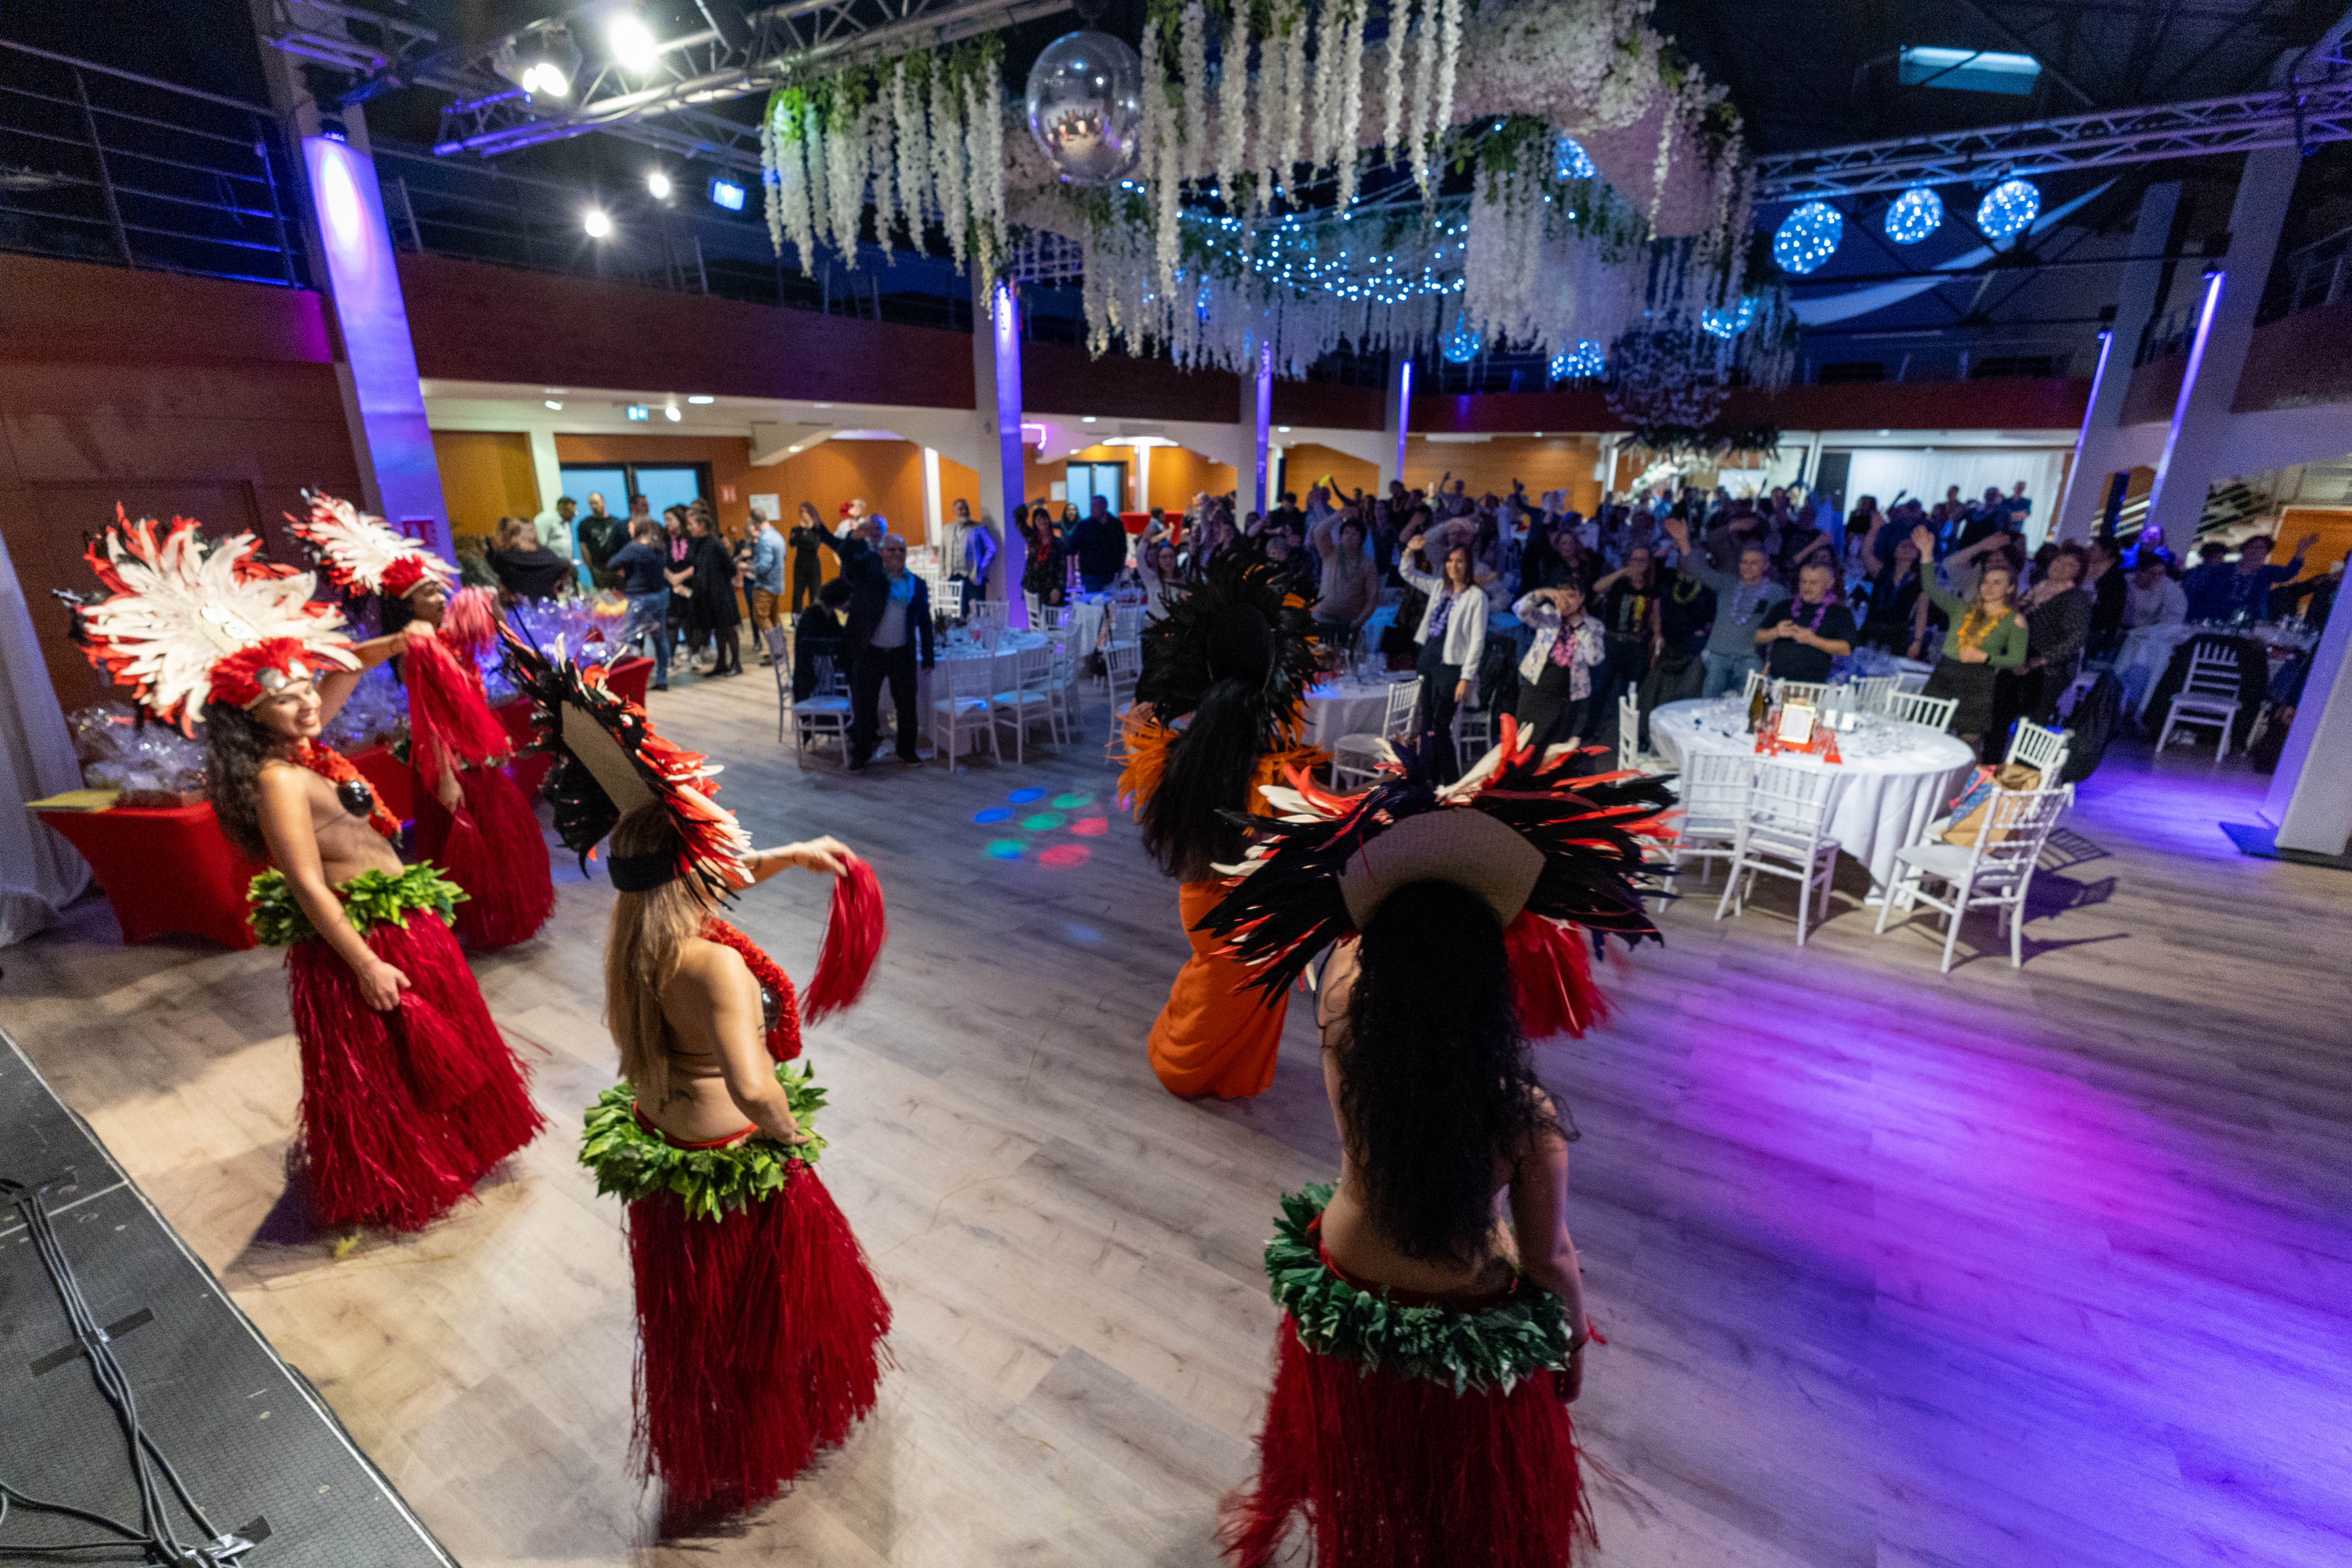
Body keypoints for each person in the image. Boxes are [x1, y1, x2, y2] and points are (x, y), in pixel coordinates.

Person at [1201, 727, 1671, 1568]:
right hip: (1461, 1309)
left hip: (1348, 1276)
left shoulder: (1340, 1015)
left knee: (1366, 1490)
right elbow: (1549, 1259)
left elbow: (1351, 932)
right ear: (1494, 981)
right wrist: (1568, 1349)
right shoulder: (1523, 1118)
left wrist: (1415, 836)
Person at [503, 640, 890, 1534]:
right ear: (696, 865)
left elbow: (690, 882)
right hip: (731, 1156)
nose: (731, 853)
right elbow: (755, 1088)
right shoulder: (715, 966)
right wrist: (790, 1140)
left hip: (667, 1147)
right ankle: (765, 1438)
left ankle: (721, 1441)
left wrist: (790, 856)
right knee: (762, 1320)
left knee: (704, 1327)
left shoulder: (638, 935)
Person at [71, 513, 543, 1231]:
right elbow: (306, 884)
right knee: (390, 1071)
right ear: (253, 714)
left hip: (401, 916)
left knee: (444, 1046)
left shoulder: (306, 753)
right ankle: (414, 1168)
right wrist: (363, 965)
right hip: (365, 935)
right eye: (285, 698)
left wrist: (395, 640)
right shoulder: (279, 782)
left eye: (302, 691)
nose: (304, 704)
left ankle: (464, 1144)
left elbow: (343, 668)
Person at [294, 495, 554, 949]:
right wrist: (448, 777)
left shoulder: (442, 637)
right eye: (430, 594)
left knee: (501, 846)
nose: (442, 597)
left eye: (439, 589)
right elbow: (429, 720)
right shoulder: (419, 651)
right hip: (454, 765)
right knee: (479, 848)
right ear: (408, 608)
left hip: (476, 757)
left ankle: (494, 918)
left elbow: (479, 621)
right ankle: (482, 920)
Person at [1117, 548, 1325, 1100]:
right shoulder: (1267, 775)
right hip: (1244, 914)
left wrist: (1150, 707)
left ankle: (1195, 1061)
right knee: (1245, 985)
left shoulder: (1178, 762)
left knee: (1215, 980)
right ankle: (1190, 1068)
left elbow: (1140, 732)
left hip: (1199, 906)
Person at [818, 521, 934, 771]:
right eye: (891, 550)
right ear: (881, 552)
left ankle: (907, 750)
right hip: (870, 652)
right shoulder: (868, 576)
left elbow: (925, 621)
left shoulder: (916, 584)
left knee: (906, 706)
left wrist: (928, 658)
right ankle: (861, 754)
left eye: (901, 550)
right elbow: (847, 556)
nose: (897, 554)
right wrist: (854, 536)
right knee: (864, 705)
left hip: (902, 653)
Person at [1913, 522, 2027, 753]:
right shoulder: (1962, 609)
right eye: (1986, 581)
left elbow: (2016, 661)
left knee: (1969, 743)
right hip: (1945, 673)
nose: (1989, 587)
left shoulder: (2015, 621)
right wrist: (1926, 553)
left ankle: (1970, 787)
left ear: (2010, 589)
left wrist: (1984, 657)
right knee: (1923, 733)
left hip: (1978, 680)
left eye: (1998, 583)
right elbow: (1931, 587)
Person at [1398, 531, 1488, 785]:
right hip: (1428, 658)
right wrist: (1409, 551)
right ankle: (1433, 781)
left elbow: (1477, 640)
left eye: (1459, 561)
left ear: (1468, 565)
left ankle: (1452, 782)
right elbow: (1409, 574)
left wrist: (1466, 677)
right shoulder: (1440, 587)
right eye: (1450, 561)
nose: (1453, 566)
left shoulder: (1476, 597)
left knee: (1441, 725)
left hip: (1452, 666)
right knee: (1427, 724)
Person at [1664, 514, 1786, 698]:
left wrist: (1770, 662)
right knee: (1707, 707)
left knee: (1743, 710)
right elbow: (1700, 570)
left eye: (1754, 563)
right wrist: (1683, 542)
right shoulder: (1728, 584)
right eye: (1744, 562)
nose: (1747, 567)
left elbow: (1782, 626)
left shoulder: (1777, 592)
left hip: (1751, 660)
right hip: (1718, 657)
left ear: (1766, 565)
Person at [2004, 542, 2092, 729]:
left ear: (2078, 572)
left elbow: (2076, 638)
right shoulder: (2038, 587)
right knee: (2003, 708)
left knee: (2034, 719)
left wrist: (2042, 661)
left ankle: (2024, 757)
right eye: (2059, 560)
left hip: (2051, 667)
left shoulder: (2075, 598)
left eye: (2070, 565)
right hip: (2021, 656)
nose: (2060, 567)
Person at [1511, 583, 1606, 744]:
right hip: (1536, 687)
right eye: (1559, 597)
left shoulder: (1593, 625)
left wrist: (1579, 625)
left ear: (1582, 598)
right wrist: (1541, 592)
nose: (1565, 602)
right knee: (1522, 742)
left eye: (1571, 596)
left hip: (1567, 695)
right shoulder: (1548, 616)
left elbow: (1594, 659)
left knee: (1554, 749)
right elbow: (1519, 610)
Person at [671, 502, 744, 678]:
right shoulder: (697, 543)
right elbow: (696, 567)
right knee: (718, 629)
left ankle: (736, 663)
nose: (688, 528)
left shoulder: (715, 544)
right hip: (707, 595)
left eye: (691, 525)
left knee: (728, 628)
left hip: (721, 594)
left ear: (702, 525)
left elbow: (731, 568)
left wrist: (717, 580)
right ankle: (721, 663)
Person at [1755, 561, 1857, 686]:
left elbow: (1846, 648)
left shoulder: (1840, 613)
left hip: (1812, 687)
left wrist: (1812, 640)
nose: (1807, 587)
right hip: (1774, 683)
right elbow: (1757, 636)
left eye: (1813, 583)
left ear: (1829, 583)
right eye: (1803, 582)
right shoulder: (1784, 607)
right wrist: (1776, 632)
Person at [2183, 532, 2317, 623]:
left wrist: (2300, 551)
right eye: (2253, 547)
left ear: (2266, 554)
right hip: (2214, 618)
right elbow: (2201, 589)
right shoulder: (2224, 568)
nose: (2256, 551)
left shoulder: (2267, 572)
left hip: (2250, 621)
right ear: (2244, 549)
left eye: (2261, 549)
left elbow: (2289, 572)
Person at [609, 517, 677, 690]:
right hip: (660, 595)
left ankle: (630, 680)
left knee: (629, 639)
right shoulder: (660, 548)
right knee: (659, 638)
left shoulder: (634, 548)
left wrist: (625, 570)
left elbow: (612, 563)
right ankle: (662, 679)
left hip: (639, 598)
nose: (629, 528)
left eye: (631, 526)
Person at [1310, 506, 1380, 655]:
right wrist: (1336, 516)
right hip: (1322, 618)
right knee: (1319, 662)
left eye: (1355, 534)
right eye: (1347, 533)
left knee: (1344, 666)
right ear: (1340, 537)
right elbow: (1319, 533)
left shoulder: (1368, 565)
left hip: (1348, 624)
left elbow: (1372, 598)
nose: (1350, 536)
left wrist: (1358, 623)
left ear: (1361, 539)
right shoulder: (1330, 552)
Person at [1859, 527, 1927, 654]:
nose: (1907, 549)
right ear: (1894, 550)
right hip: (1871, 629)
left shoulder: (1920, 582)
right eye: (1903, 546)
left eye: (1912, 547)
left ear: (1918, 552)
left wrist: (1917, 641)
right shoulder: (1881, 571)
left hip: (1897, 635)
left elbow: (1922, 613)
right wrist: (1874, 529)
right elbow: (1866, 553)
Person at [486, 515, 573, 600]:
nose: (534, 531)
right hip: (544, 607)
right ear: (514, 535)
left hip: (522, 608)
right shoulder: (505, 559)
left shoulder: (501, 560)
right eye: (531, 529)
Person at [792, 578, 851, 700]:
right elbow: (818, 645)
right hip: (812, 678)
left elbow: (837, 633)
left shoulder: (826, 612)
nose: (849, 604)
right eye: (847, 600)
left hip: (816, 669)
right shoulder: (814, 615)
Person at [745, 508, 787, 663]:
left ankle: (777, 652)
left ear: (755, 522)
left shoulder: (765, 539)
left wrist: (747, 567)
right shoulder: (777, 536)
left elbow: (764, 566)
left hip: (765, 585)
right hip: (776, 584)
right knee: (774, 617)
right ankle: (780, 650)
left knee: (761, 616)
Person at [941, 496, 997, 609]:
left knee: (979, 610)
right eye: (961, 509)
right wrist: (943, 574)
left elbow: (992, 548)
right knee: (959, 611)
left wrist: (981, 566)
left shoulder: (979, 528)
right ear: (954, 512)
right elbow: (942, 552)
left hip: (973, 576)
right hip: (954, 576)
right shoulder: (947, 529)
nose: (965, 511)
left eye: (966, 508)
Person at [1071, 495, 1129, 594]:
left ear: (1104, 506)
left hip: (1111, 573)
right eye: (1092, 506)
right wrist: (1071, 574)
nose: (1092, 509)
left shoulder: (1116, 525)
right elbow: (1071, 549)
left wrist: (1121, 570)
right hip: (1090, 574)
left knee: (1112, 602)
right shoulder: (1084, 526)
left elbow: (1123, 549)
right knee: (1095, 605)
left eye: (1095, 506)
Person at [2082, 537, 2127, 662]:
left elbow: (2115, 610)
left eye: (2094, 548)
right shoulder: (2087, 570)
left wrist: (2108, 637)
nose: (2089, 551)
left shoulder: (2115, 578)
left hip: (2095, 629)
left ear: (2106, 553)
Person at [2124, 551, 2189, 629]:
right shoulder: (2124, 583)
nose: (2157, 578)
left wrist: (2157, 630)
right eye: (2153, 574)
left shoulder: (2168, 586)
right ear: (2139, 572)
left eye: (2161, 574)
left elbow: (2177, 611)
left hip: (2150, 632)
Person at [1017, 503, 1066, 608]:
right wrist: (1034, 504)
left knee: (1050, 622)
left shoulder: (1058, 543)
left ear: (1049, 520)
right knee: (1035, 621)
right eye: (1038, 519)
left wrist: (1058, 588)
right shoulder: (1032, 538)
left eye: (1044, 518)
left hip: (1051, 588)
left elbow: (1062, 568)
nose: (1042, 522)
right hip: (1033, 587)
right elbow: (1018, 517)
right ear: (1035, 522)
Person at [787, 501, 829, 614]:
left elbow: (815, 545)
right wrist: (802, 530)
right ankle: (796, 619)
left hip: (813, 564)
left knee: (815, 592)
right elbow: (792, 543)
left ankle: (814, 617)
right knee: (798, 593)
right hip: (800, 564)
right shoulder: (796, 529)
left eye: (806, 512)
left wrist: (805, 535)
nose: (803, 514)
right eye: (802, 512)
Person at [533, 495, 578, 567]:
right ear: (561, 508)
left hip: (565, 565)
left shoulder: (565, 523)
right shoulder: (546, 519)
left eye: (574, 513)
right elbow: (540, 544)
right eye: (571, 513)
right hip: (551, 566)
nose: (573, 516)